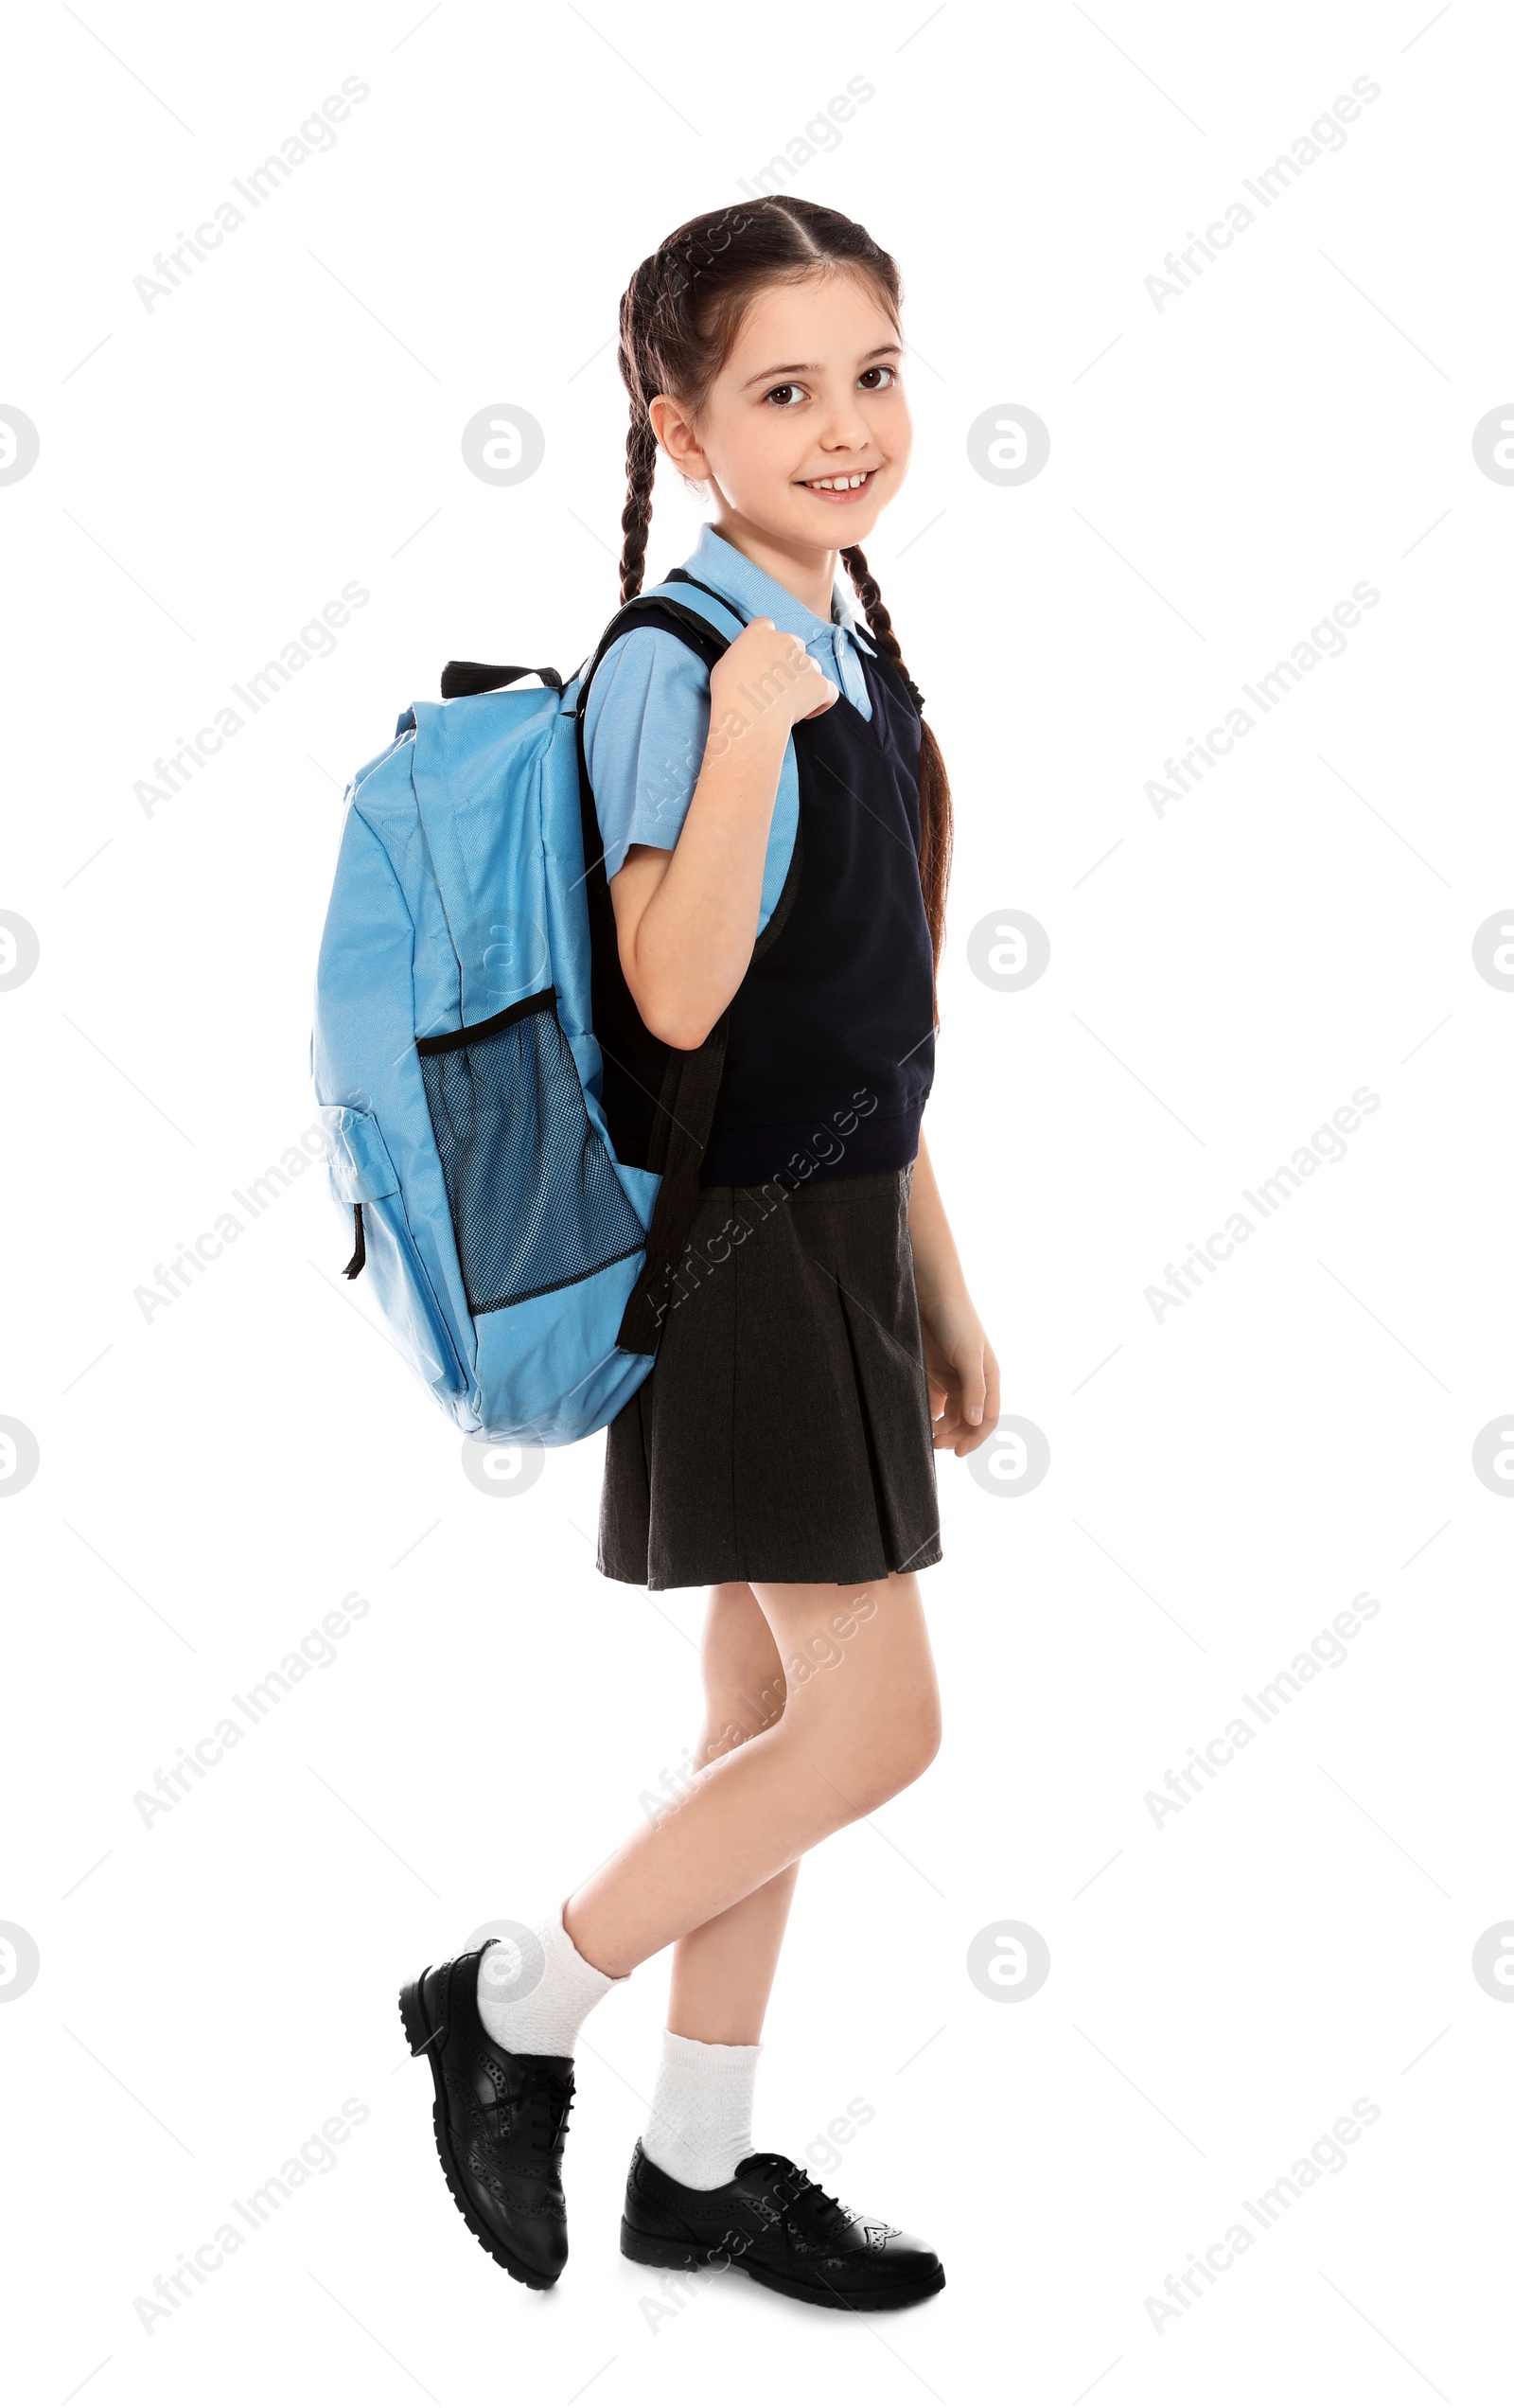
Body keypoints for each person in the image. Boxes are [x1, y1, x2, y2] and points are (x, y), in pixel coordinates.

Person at [401, 197, 998, 2313]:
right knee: (871, 1727)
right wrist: (743, 729)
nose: (844, 427)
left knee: (766, 1717)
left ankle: (694, 2167)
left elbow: (871, 1011)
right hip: (738, 1261)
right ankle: (516, 1998)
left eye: (872, 374)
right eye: (781, 390)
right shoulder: (687, 668)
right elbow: (673, 993)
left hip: (833, 1236)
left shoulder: (839, 632)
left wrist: (934, 1269)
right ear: (675, 416)